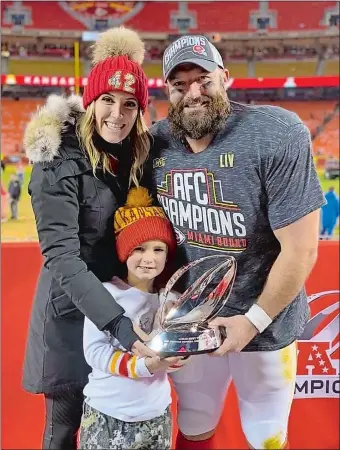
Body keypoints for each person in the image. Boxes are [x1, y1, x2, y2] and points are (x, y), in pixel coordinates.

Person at [150, 35, 325, 450]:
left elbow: (301, 248)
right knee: (194, 422)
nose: (193, 92)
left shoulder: (274, 133)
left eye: (203, 79)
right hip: (189, 321)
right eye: (180, 84)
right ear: (168, 92)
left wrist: (252, 322)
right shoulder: (155, 143)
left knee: (266, 435)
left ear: (225, 78)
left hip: (266, 320)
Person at [22, 27, 157, 450]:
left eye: (130, 104)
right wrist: (119, 325)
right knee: (64, 430)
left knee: (113, 425)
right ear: (91, 101)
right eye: (108, 101)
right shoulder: (58, 158)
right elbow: (61, 255)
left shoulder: (134, 155)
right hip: (71, 315)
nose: (117, 114)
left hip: (123, 310)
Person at [79, 185, 187, 449]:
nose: (148, 258)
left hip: (157, 415)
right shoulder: (104, 294)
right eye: (139, 248)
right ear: (124, 251)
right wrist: (145, 366)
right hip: (106, 414)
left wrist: (176, 358)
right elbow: (94, 352)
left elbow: (174, 358)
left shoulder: (170, 301)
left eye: (158, 249)